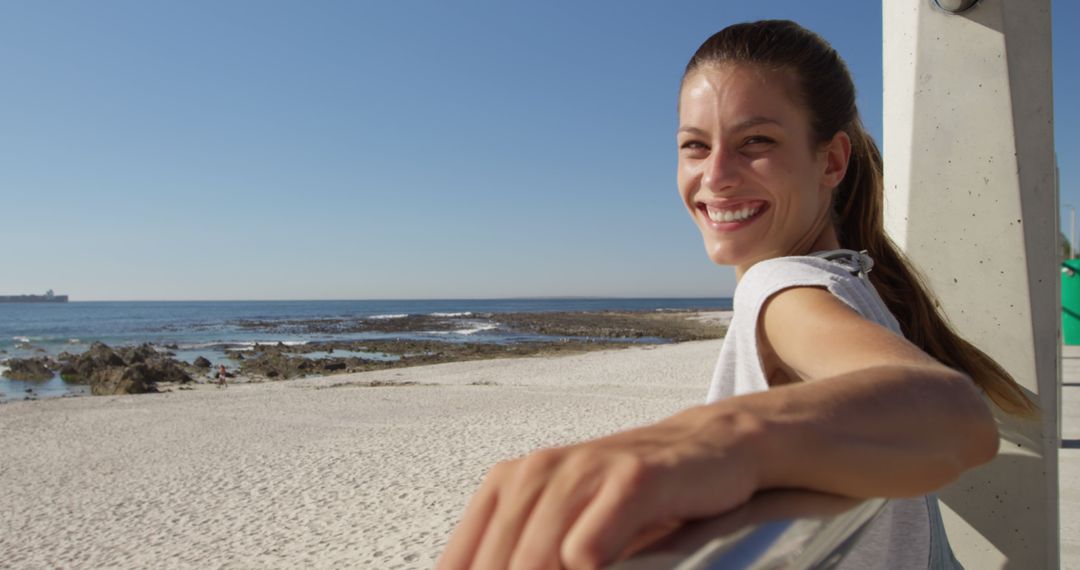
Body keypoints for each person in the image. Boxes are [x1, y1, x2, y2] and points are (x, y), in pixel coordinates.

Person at [437, 20, 1036, 570]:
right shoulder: (853, 277)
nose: (716, 174)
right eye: (695, 145)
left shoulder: (783, 288)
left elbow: (952, 415)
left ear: (830, 161)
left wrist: (717, 440)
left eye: (756, 142)